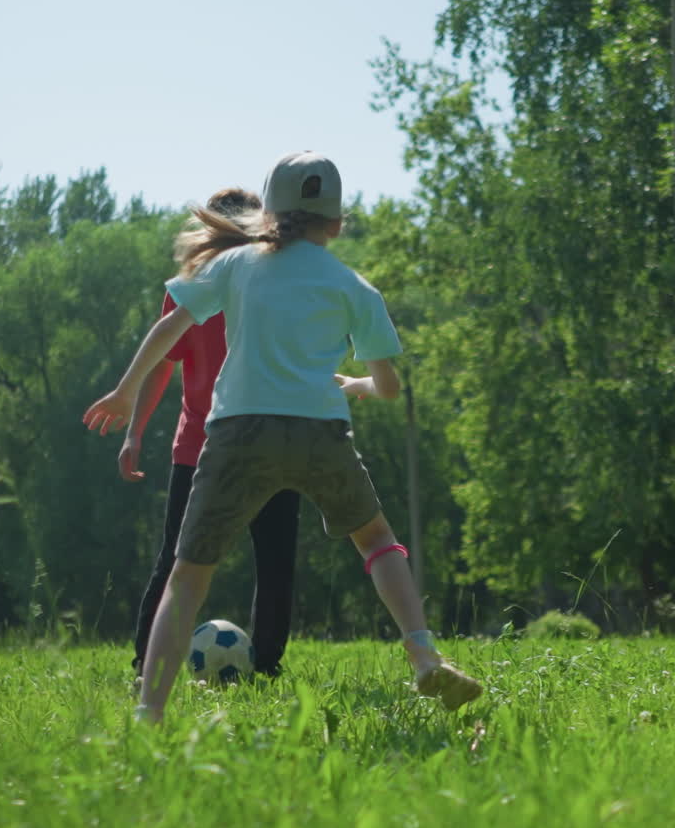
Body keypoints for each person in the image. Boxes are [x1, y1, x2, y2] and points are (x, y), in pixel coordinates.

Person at [83, 151, 483, 722]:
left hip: (238, 433)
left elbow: (171, 323)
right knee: (376, 541)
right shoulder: (353, 286)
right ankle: (422, 654)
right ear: (338, 222)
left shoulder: (238, 263)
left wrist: (126, 391)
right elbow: (391, 386)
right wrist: (360, 386)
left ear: (267, 213)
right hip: (321, 430)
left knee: (189, 573)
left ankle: (149, 711)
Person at [117, 187, 299, 678]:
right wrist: (134, 431)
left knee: (201, 560)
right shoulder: (193, 287)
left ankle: (251, 666)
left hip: (237, 442)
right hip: (232, 444)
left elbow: (157, 365)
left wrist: (135, 433)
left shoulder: (233, 284)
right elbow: (161, 363)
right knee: (236, 558)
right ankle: (154, 663)